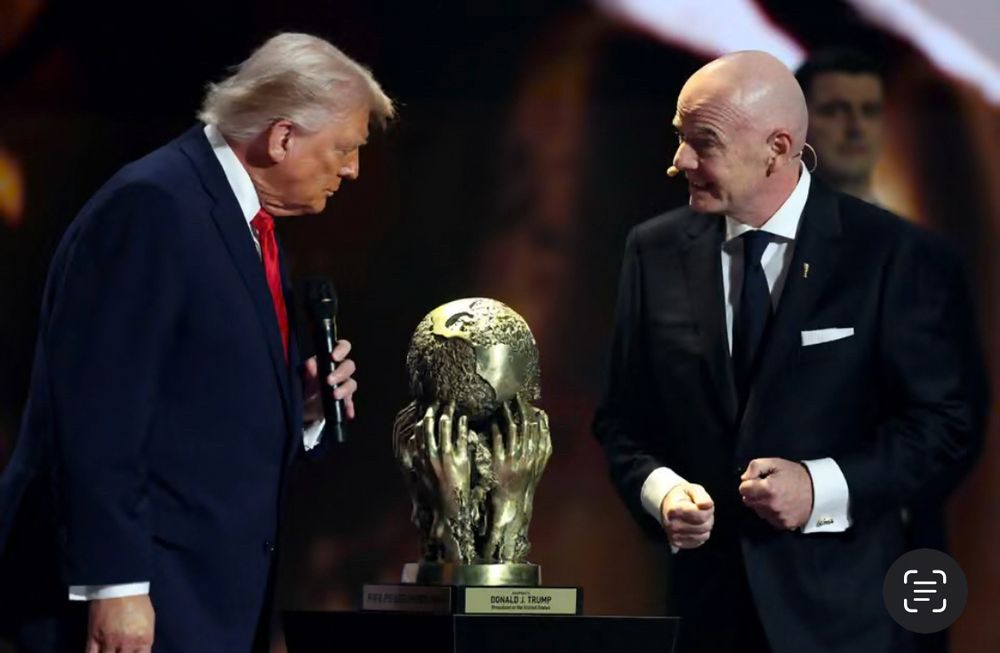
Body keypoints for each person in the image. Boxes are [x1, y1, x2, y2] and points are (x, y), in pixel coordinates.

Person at [0, 32, 393, 653]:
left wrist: (304, 405)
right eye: (345, 148)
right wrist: (117, 585)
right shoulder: (154, 206)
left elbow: (198, 411)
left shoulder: (251, 226)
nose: (352, 169)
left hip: (209, 599)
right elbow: (99, 410)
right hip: (146, 595)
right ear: (283, 136)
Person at [593, 51, 986, 653]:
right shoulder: (653, 251)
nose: (679, 162)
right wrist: (663, 491)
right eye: (680, 137)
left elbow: (946, 425)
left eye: (704, 142)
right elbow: (623, 422)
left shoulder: (893, 255)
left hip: (850, 622)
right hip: (704, 621)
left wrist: (819, 487)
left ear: (778, 148)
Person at [795, 48, 885, 203]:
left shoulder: (900, 227)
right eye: (834, 111)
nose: (857, 128)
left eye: (869, 111)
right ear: (794, 121)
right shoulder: (759, 225)